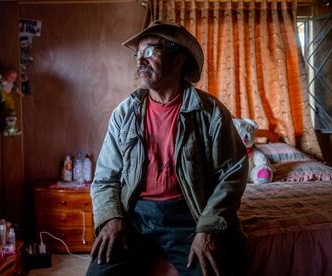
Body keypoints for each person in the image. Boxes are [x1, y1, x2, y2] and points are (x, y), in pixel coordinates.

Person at [87, 20, 248, 276]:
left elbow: (232, 175)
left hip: (189, 216)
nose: (140, 60)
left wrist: (207, 229)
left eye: (150, 51)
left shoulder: (210, 113)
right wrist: (111, 218)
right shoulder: (124, 113)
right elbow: (106, 177)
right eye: (138, 54)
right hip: (136, 216)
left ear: (178, 59)